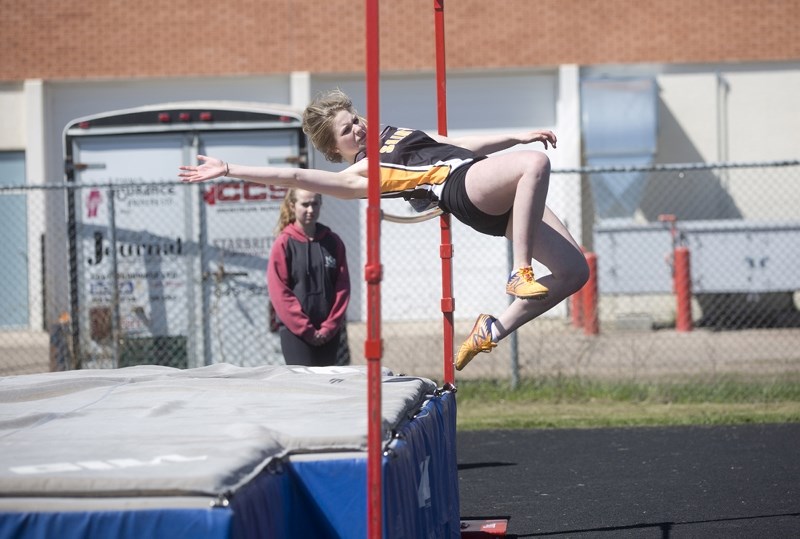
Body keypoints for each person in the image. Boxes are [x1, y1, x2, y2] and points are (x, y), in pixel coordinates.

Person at [180, 89, 589, 371]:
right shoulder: (362, 173)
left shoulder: (396, 133)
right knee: (533, 163)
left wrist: (515, 135)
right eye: (346, 132)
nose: (357, 130)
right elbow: (293, 174)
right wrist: (231, 169)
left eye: (353, 120)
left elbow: (458, 142)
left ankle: (491, 329)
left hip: (489, 184)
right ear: (336, 149)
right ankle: (519, 271)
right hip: (464, 188)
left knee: (575, 272)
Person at [266, 188, 351, 366]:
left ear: (321, 204)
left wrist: (329, 327)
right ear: (292, 206)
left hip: (329, 333)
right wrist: (306, 329)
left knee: (328, 386)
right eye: (305, 204)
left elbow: (342, 287)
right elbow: (280, 292)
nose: (310, 210)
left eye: (315, 204)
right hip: (296, 333)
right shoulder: (284, 243)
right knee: (304, 388)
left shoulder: (333, 242)